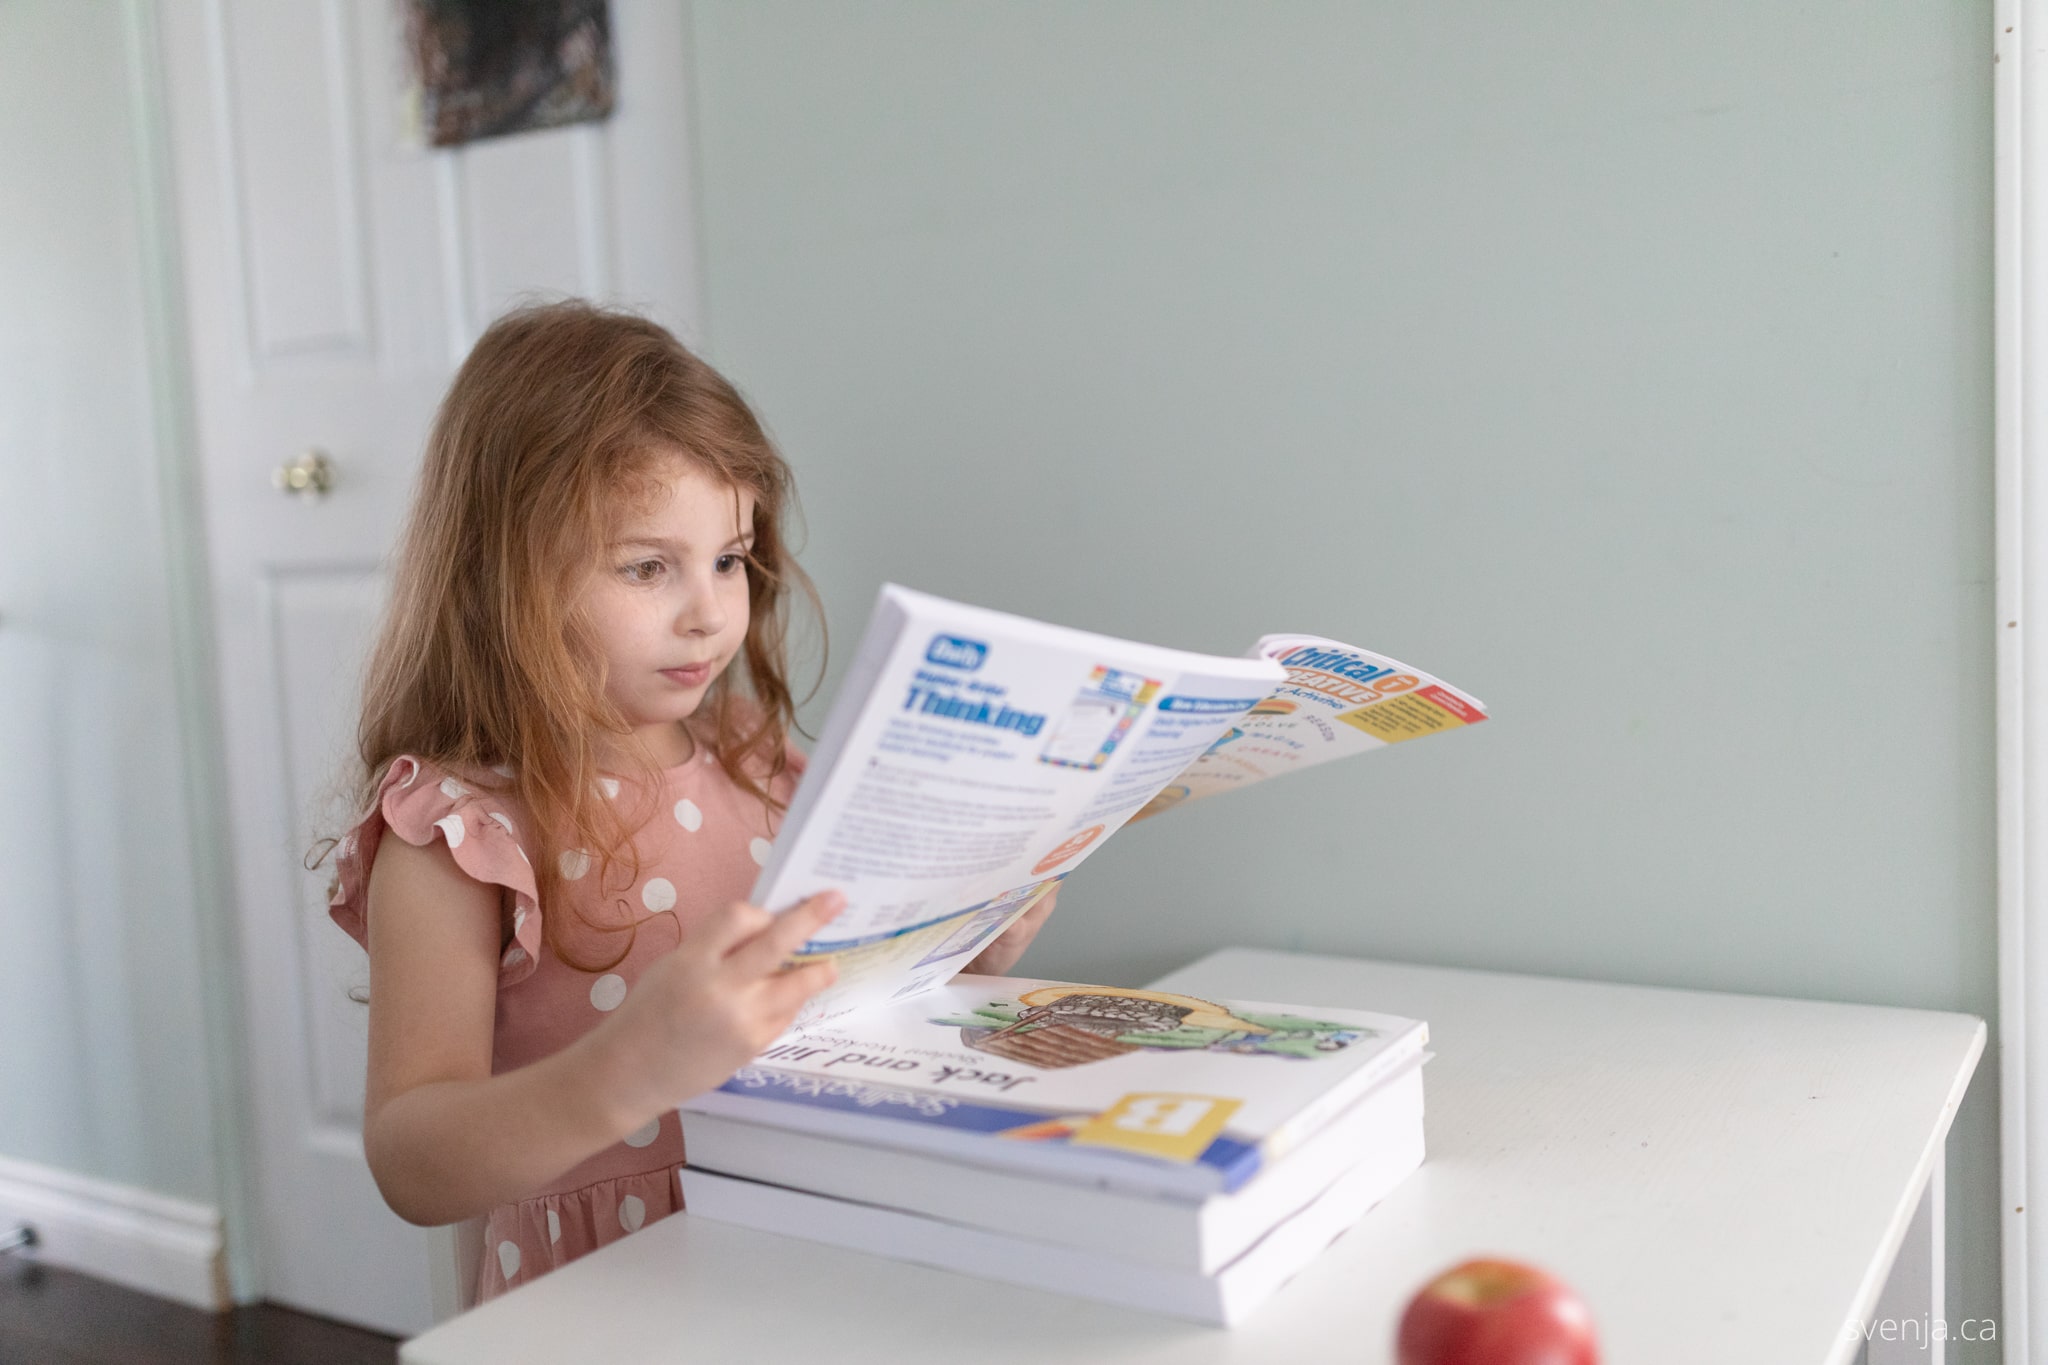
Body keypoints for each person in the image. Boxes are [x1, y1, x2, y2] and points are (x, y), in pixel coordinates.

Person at [315, 299, 1060, 1306]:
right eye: (646, 567)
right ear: (502, 576)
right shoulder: (459, 833)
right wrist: (625, 1070)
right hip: (603, 1301)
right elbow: (412, 1163)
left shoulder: (756, 757)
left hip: (794, 1249)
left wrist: (956, 951)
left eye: (728, 558)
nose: (708, 611)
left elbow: (821, 1003)